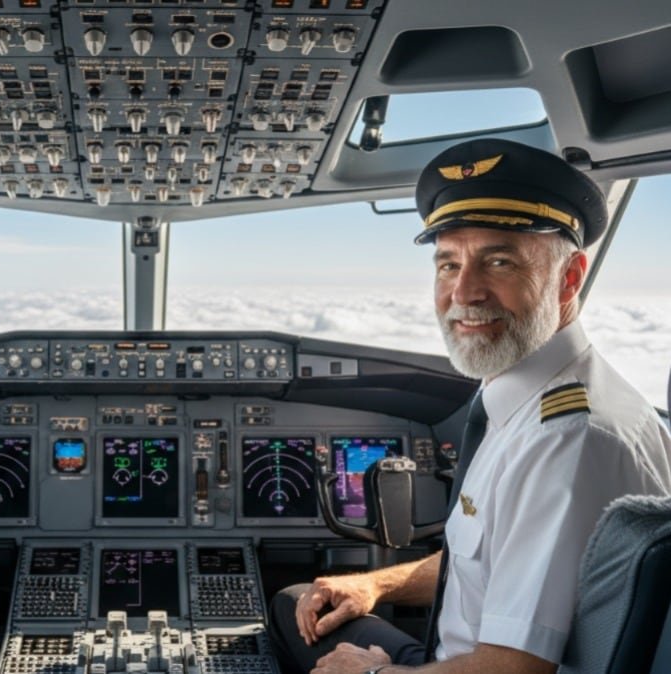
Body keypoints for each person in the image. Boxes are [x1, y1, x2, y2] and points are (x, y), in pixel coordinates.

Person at [268, 138, 671, 674]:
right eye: (448, 264)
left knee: (290, 611)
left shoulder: (565, 440)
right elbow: (494, 562)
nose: (465, 292)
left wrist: (370, 673)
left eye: (498, 261)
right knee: (306, 599)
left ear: (569, 278)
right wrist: (376, 583)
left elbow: (513, 669)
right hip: (459, 658)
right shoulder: (530, 397)